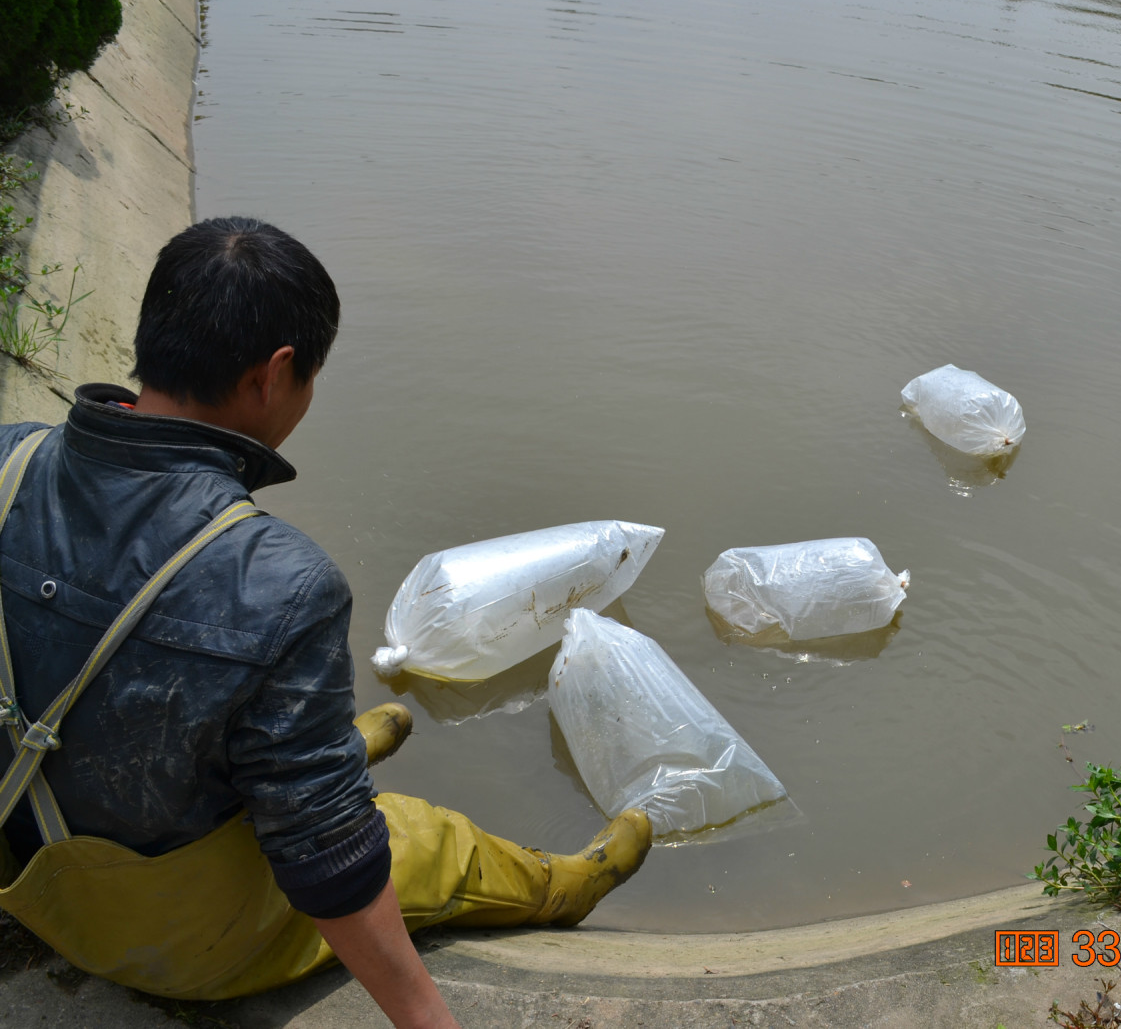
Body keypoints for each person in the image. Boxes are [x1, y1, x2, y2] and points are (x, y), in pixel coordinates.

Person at [0, 217, 651, 1029]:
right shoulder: (278, 581)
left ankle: (326, 747)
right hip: (166, 934)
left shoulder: (10, 459)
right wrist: (425, 1019)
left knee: (269, 733)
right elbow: (327, 859)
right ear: (274, 375)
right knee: (419, 837)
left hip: (23, 859)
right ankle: (567, 882)